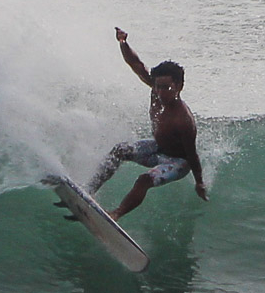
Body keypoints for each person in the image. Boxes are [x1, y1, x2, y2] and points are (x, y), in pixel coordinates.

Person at [87, 28, 208, 220]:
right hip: (157, 148)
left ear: (179, 86)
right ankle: (88, 192)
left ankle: (116, 214)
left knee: (144, 180)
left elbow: (192, 154)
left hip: (177, 161)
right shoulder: (156, 90)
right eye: (158, 86)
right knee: (120, 150)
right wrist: (123, 43)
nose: (160, 92)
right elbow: (135, 64)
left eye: (166, 87)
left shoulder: (183, 119)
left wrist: (199, 182)